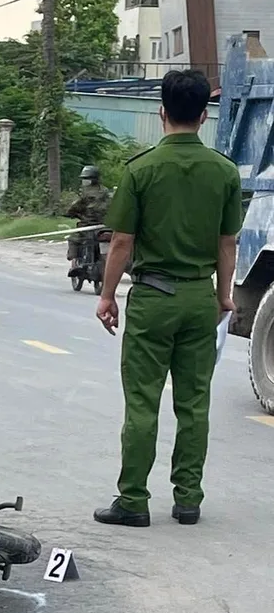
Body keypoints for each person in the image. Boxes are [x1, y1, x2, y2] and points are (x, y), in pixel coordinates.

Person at [94, 69, 242, 528]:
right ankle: (188, 499)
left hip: (153, 299)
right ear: (203, 115)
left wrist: (106, 296)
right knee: (194, 402)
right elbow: (227, 243)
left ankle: (134, 501)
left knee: (142, 402)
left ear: (161, 113)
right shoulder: (224, 171)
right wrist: (223, 297)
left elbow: (121, 241)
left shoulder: (141, 169)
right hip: (200, 298)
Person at [66, 165, 111, 276]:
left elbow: (75, 206)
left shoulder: (85, 193)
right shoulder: (106, 191)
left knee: (74, 239)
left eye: (86, 179)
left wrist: (69, 213)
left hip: (88, 225)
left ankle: (75, 264)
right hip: (106, 226)